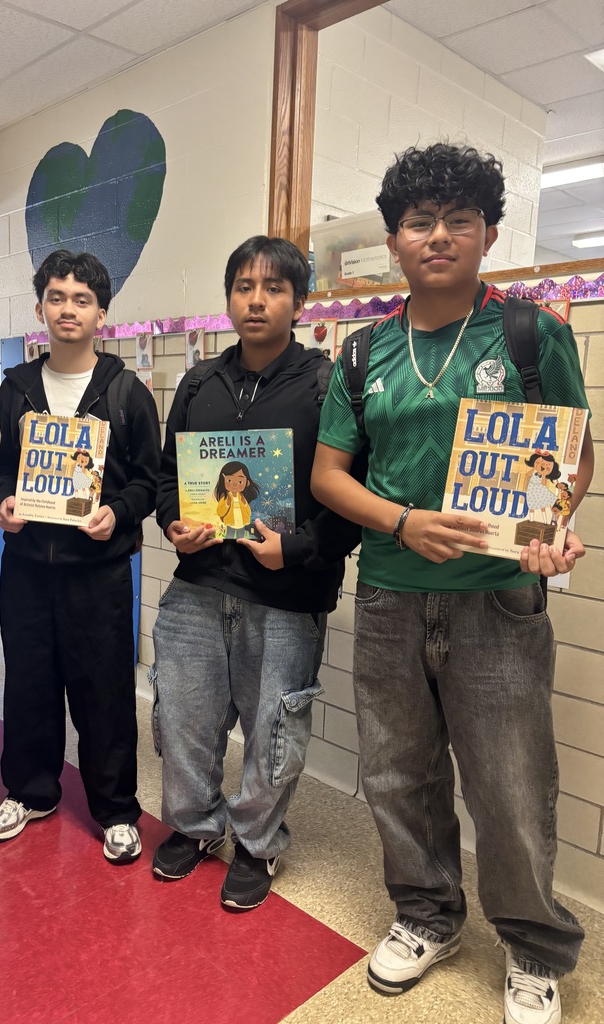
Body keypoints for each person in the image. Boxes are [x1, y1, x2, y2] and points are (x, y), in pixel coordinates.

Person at [311, 143, 594, 1024]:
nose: (439, 236)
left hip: (499, 599)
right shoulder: (361, 353)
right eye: (420, 223)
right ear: (394, 242)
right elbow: (328, 475)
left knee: (511, 782)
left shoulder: (529, 332)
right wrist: (400, 521)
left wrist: (550, 527)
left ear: (488, 233)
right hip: (391, 593)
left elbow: (571, 459)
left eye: (457, 221)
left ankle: (535, 948)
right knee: (398, 772)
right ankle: (427, 915)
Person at [151, 236, 347, 910]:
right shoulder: (200, 382)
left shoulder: (326, 384)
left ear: (300, 299)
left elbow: (351, 499)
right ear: (228, 296)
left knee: (274, 729)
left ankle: (258, 844)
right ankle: (195, 826)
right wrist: (174, 522)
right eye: (243, 286)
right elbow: (165, 477)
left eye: (273, 287)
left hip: (287, 595)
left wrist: (292, 552)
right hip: (198, 585)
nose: (256, 300)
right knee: (181, 717)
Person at [0, 250, 161, 863]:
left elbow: (149, 479)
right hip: (28, 569)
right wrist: (4, 501)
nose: (68, 308)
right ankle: (32, 793)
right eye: (56, 297)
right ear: (40, 308)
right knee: (28, 684)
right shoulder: (17, 389)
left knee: (104, 691)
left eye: (81, 299)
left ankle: (115, 809)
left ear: (102, 313)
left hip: (99, 572)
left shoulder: (126, 390)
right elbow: (5, 470)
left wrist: (121, 512)